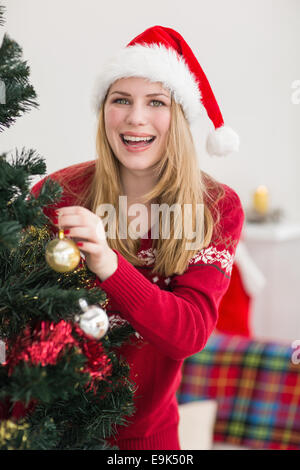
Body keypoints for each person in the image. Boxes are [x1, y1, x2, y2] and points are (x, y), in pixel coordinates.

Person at [31, 25, 244, 450]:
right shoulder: (56, 195)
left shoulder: (216, 208)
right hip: (45, 430)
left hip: (144, 442)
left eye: (156, 102)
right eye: (121, 100)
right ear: (104, 111)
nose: (135, 118)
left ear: (179, 116)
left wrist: (108, 264)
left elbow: (188, 334)